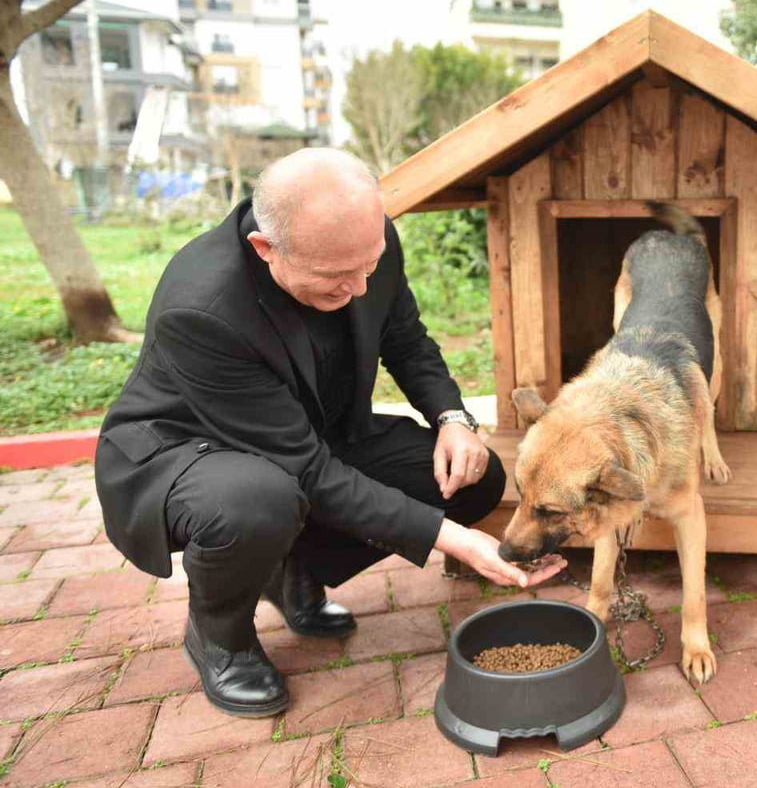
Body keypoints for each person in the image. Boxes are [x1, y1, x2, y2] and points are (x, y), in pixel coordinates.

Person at [95, 148, 565, 717]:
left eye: (368, 266)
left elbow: (406, 340)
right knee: (257, 501)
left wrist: (453, 420)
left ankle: (293, 568)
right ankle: (219, 636)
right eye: (337, 277)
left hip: (306, 435)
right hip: (190, 450)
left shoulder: (364, 242)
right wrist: (455, 541)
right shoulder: (203, 308)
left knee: (472, 476)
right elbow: (307, 471)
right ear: (265, 248)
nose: (360, 288)